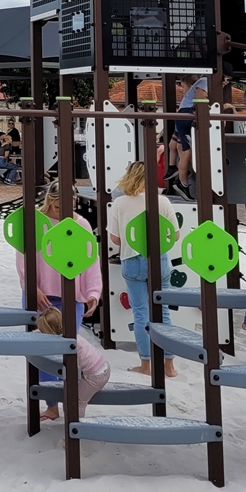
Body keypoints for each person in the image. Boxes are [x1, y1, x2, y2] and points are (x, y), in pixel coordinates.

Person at [16, 178, 102, 419]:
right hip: (41, 294)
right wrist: (31, 287)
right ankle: (50, 405)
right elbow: (23, 255)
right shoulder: (36, 221)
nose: (60, 209)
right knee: (42, 352)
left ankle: (67, 400)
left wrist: (93, 292)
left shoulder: (81, 224)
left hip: (70, 295)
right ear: (49, 201)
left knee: (67, 350)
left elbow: (90, 259)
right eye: (56, 204)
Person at [107, 159, 179, 378]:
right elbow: (174, 235)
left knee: (141, 314)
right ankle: (169, 366)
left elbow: (115, 238)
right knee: (164, 312)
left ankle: (146, 364)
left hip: (132, 260)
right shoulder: (162, 202)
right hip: (159, 259)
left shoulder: (120, 203)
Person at [35, 307, 111, 420]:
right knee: (70, 398)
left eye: (42, 331)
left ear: (50, 332)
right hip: (101, 367)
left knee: (76, 402)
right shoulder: (67, 334)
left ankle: (76, 427)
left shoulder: (64, 342)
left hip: (96, 375)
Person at [168, 75, 208, 197]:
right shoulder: (206, 81)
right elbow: (200, 100)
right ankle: (183, 181)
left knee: (186, 149)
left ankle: (183, 181)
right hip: (189, 114)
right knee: (189, 149)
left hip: (183, 114)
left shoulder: (199, 83)